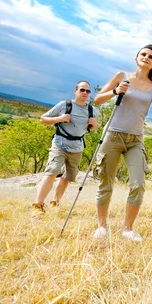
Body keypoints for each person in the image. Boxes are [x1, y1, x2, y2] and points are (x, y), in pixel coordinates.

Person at [92, 44, 152, 242]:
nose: (146, 57)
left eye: (151, 56)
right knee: (106, 183)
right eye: (143, 54)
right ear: (136, 58)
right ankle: (102, 227)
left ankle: (128, 229)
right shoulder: (121, 76)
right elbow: (97, 100)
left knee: (138, 184)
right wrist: (115, 91)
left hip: (135, 140)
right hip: (113, 136)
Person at [31, 81, 99, 219]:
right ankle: (38, 206)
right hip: (60, 144)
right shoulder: (64, 105)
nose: (85, 93)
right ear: (75, 91)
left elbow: (94, 128)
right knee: (52, 172)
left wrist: (95, 124)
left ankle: (55, 203)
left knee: (67, 177)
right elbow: (43, 119)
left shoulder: (93, 110)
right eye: (82, 90)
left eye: (88, 91)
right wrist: (59, 118)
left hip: (77, 147)